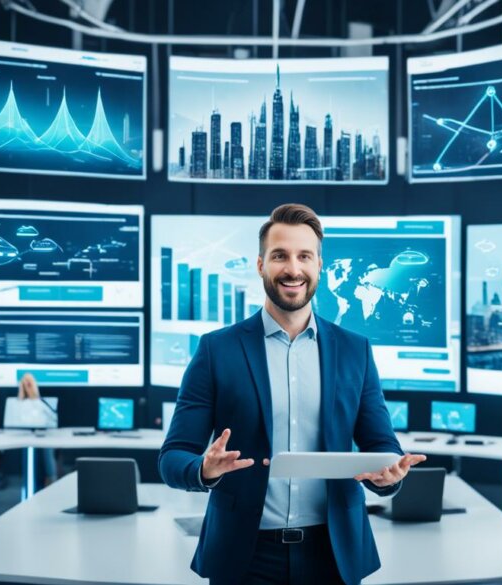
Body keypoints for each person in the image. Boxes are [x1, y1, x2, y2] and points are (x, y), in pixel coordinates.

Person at [159, 203, 426, 585]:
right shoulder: (217, 351)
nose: (293, 269)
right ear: (260, 265)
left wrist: (389, 477)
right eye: (279, 256)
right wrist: (203, 470)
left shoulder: (355, 350)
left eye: (304, 256)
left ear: (319, 266)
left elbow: (380, 444)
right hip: (244, 556)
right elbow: (172, 457)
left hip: (334, 555)